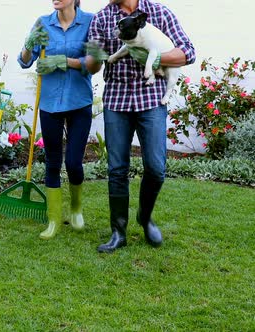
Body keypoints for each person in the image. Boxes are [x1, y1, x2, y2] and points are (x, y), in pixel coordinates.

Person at [86, 0, 195, 253]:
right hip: (117, 99)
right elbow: (94, 62)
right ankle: (118, 231)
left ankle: (145, 218)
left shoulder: (159, 12)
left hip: (152, 100)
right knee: (117, 169)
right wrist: (92, 58)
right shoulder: (102, 18)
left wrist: (154, 57)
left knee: (156, 168)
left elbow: (187, 52)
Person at [18, 0, 95, 240]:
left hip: (79, 101)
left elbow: (94, 64)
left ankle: (76, 210)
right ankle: (53, 220)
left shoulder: (90, 22)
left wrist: (63, 62)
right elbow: (24, 61)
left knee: (73, 162)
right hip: (50, 103)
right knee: (52, 162)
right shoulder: (42, 23)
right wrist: (29, 45)